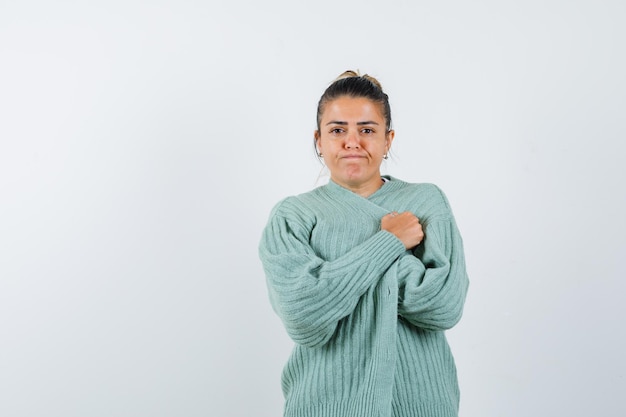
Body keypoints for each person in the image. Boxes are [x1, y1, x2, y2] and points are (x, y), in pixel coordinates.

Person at [258, 70, 469, 417]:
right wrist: (390, 242)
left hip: (423, 405)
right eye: (337, 129)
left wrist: (335, 278)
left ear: (388, 140)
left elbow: (443, 305)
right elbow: (303, 316)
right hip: (324, 405)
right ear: (319, 140)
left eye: (367, 130)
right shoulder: (293, 215)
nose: (352, 141)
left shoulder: (426, 201)